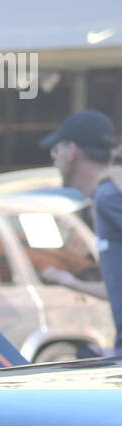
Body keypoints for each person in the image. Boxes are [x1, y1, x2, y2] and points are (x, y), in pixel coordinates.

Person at [41, 110, 122, 353]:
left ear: (72, 151)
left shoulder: (109, 196)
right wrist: (72, 283)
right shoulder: (106, 195)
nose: (54, 160)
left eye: (56, 151)